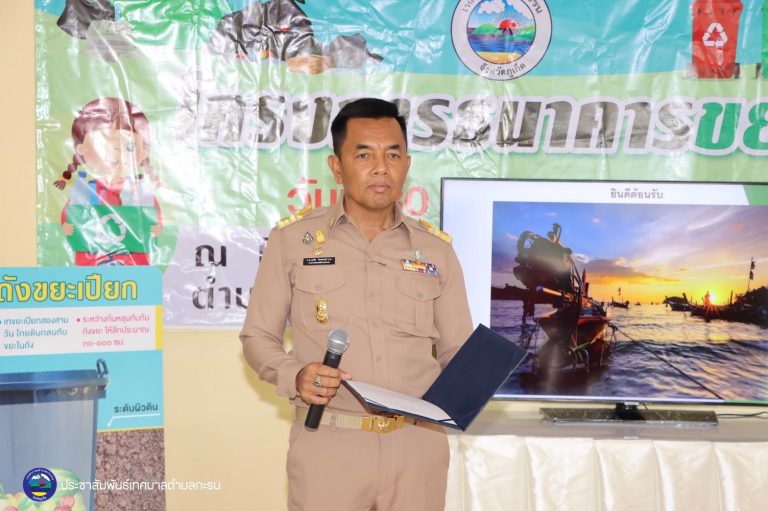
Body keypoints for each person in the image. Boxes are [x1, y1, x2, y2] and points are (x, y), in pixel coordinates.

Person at [239, 98, 473, 510]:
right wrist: (295, 375)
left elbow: (459, 351)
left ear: (407, 164)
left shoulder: (436, 251)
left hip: (417, 449)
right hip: (330, 444)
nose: (381, 168)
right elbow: (258, 337)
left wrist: (477, 380)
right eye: (364, 154)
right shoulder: (293, 242)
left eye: (393, 154)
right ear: (336, 166)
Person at [54, 97, 162, 266]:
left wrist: (157, 226)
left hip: (133, 257)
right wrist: (67, 224)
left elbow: (152, 210)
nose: (114, 155)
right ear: (82, 150)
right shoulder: (86, 189)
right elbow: (71, 210)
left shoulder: (139, 191)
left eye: (129, 147)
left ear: (142, 153)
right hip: (93, 256)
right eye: (102, 146)